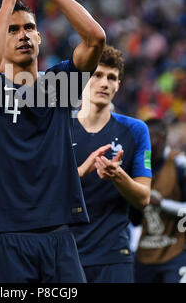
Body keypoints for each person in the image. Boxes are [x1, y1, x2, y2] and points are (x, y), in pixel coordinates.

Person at [0, 0, 106, 283]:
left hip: (59, 232)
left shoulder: (58, 85)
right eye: (13, 30)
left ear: (40, 38)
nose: (22, 35)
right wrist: (8, 1)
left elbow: (95, 39)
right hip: (5, 234)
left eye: (29, 28)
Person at [71, 45, 152, 283]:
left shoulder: (136, 130)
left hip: (113, 255)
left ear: (118, 85)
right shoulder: (59, 128)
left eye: (112, 77)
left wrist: (118, 176)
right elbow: (44, 189)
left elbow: (143, 198)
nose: (104, 83)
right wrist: (80, 172)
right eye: (97, 75)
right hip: (65, 254)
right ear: (83, 79)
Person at [132, 118, 186, 283]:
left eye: (149, 138)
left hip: (174, 252)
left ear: (162, 138)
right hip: (144, 253)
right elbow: (134, 220)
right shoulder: (138, 166)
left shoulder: (179, 164)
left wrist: (161, 204)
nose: (144, 144)